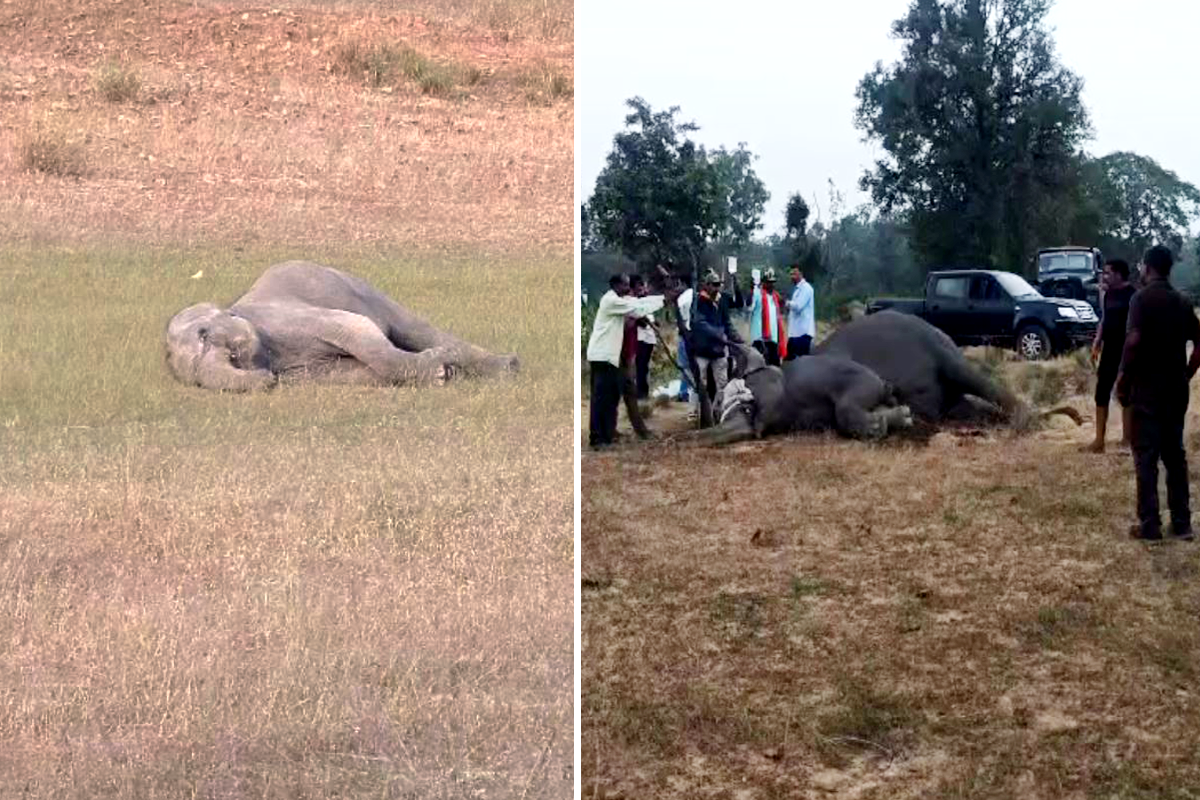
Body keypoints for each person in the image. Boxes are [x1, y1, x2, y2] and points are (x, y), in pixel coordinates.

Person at [1116, 245, 1200, 541]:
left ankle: (1150, 526)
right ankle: (1182, 525)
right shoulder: (1182, 301)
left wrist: (1123, 377)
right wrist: (1187, 373)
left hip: (1147, 391)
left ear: (1148, 267)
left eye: (1141, 266)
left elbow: (1134, 340)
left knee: (1146, 458)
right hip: (1176, 390)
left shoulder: (1140, 299)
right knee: (1175, 457)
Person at [586, 273, 664, 449]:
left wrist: (659, 301)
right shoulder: (612, 301)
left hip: (610, 356)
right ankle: (598, 439)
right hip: (603, 356)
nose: (628, 289)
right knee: (602, 400)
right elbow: (636, 308)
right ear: (615, 285)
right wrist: (663, 300)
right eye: (625, 285)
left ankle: (606, 436)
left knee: (610, 398)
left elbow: (637, 308)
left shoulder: (618, 301)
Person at [1083, 259, 1135, 453]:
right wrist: (1097, 340)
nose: (1104, 276)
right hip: (1109, 351)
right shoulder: (1108, 295)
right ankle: (1099, 442)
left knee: (1125, 394)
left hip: (1127, 351)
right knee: (1101, 391)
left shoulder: (1133, 296)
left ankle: (1127, 440)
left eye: (1108, 273)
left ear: (1119, 274)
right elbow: (1104, 319)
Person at [691, 269, 740, 420]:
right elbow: (700, 323)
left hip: (718, 350)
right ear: (706, 285)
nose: (716, 288)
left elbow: (728, 319)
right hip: (703, 348)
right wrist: (720, 335)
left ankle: (720, 412)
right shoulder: (698, 300)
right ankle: (694, 412)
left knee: (722, 383)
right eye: (713, 284)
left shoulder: (722, 299)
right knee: (699, 382)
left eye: (718, 285)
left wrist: (736, 338)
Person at [748, 267, 787, 366]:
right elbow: (749, 306)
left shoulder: (775, 297)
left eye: (772, 282)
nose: (771, 284)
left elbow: (783, 305)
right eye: (768, 282)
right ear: (763, 283)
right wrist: (752, 290)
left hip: (773, 339)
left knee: (775, 367)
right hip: (759, 339)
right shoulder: (757, 293)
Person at [631, 274, 657, 400]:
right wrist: (648, 322)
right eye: (641, 287)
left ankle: (643, 391)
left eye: (644, 287)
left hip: (649, 337)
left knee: (644, 365)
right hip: (641, 337)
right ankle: (641, 393)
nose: (644, 289)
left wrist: (653, 323)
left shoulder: (647, 302)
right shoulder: (634, 302)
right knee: (641, 365)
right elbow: (639, 319)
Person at [784, 265, 816, 360]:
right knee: (790, 361)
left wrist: (786, 302)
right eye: (791, 274)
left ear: (801, 274)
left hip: (802, 333)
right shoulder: (797, 290)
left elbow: (798, 306)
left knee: (800, 363)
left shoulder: (806, 288)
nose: (792, 277)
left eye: (794, 274)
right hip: (794, 333)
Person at [674, 273, 695, 409]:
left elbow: (680, 317)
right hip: (695, 334)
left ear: (684, 283)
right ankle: (687, 391)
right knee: (690, 365)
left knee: (685, 365)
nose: (677, 287)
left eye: (679, 284)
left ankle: (684, 392)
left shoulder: (683, 298)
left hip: (685, 334)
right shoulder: (696, 294)